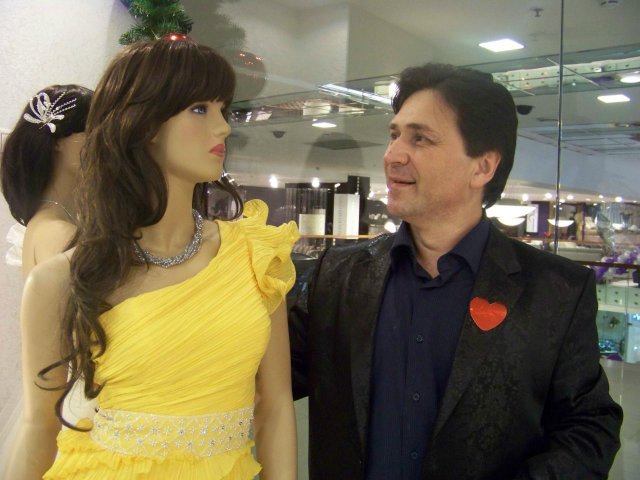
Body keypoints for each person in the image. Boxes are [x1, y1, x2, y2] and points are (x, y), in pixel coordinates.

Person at [289, 63, 622, 480]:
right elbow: (258, 374)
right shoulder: (338, 275)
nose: (393, 155)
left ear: (482, 167)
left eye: (420, 138)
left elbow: (590, 427)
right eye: (394, 135)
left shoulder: (555, 290)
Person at [6, 37, 298, 480]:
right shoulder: (60, 279)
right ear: (142, 124)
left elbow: (274, 406)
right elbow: (38, 427)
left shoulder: (256, 255)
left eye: (223, 109)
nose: (223, 127)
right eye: (199, 109)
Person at [1, 84, 93, 276]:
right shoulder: (58, 232)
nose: (103, 144)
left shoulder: (45, 222)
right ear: (58, 141)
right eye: (92, 132)